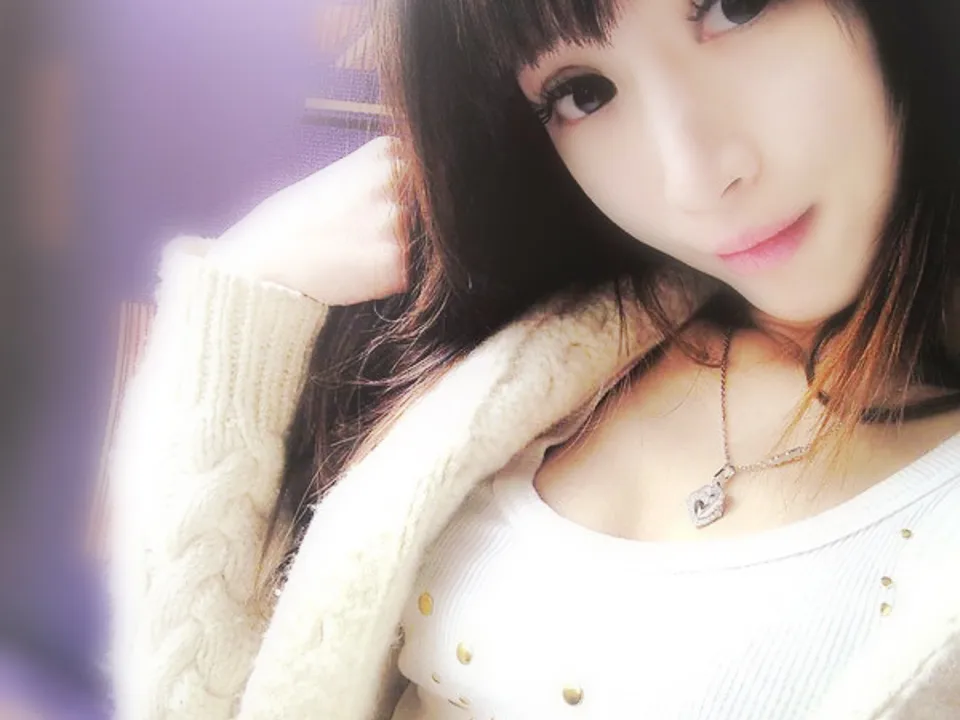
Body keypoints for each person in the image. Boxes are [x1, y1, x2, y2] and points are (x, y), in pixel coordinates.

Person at [106, 0, 960, 718]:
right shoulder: (547, 350)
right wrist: (243, 312)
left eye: (735, 8)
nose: (695, 178)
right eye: (582, 92)